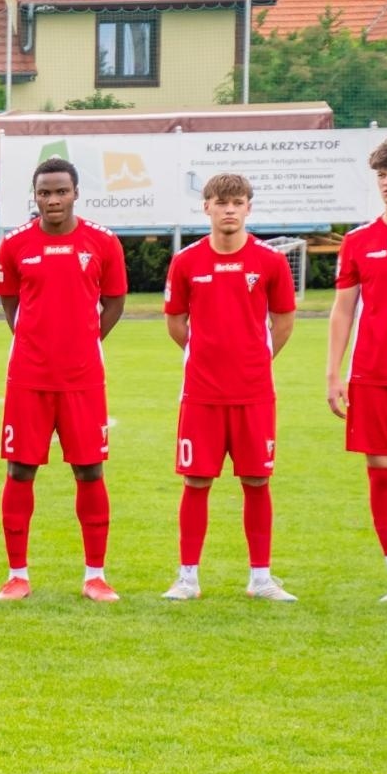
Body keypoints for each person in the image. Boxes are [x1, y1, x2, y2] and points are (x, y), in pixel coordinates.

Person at [0, 157, 127, 602]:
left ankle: (95, 576)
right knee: (20, 469)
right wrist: (35, 341)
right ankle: (17, 576)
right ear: (35, 195)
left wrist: (85, 340)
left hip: (83, 380)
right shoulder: (14, 246)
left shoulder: (103, 243)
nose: (53, 199)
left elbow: (114, 302)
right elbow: (10, 303)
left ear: (75, 193)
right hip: (29, 379)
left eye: (60, 191)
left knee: (90, 470)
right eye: (45, 192)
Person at [164, 173, 297, 601]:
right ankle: (187, 578)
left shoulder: (270, 262)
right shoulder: (185, 262)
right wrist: (204, 355)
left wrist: (256, 358)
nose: (229, 210)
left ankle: (261, 578)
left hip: (254, 394)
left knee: (257, 481)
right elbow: (175, 322)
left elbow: (284, 320)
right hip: (201, 395)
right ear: (206, 207)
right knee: (196, 482)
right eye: (221, 202)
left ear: (248, 208)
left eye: (237, 202)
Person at [327, 136, 387, 601]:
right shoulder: (359, 241)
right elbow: (343, 311)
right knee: (381, 471)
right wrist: (335, 372)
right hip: (372, 374)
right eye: (382, 176)